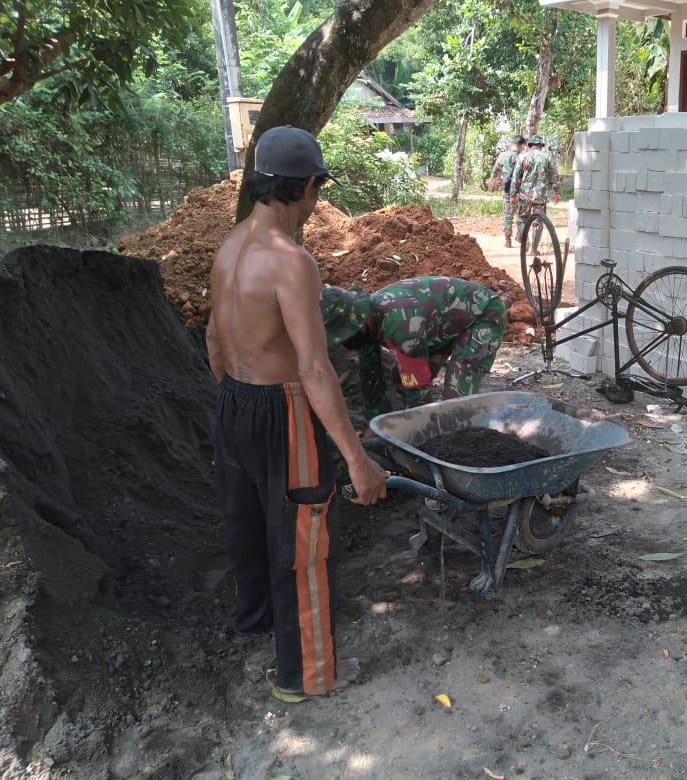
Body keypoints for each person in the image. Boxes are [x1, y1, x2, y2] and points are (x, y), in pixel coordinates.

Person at [205, 125, 389, 702]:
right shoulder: (291, 261)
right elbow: (313, 368)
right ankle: (307, 674)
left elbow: (213, 338)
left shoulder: (231, 245)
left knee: (250, 524)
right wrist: (357, 459)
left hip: (232, 400)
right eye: (317, 189)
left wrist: (236, 403)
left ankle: (256, 620)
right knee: (303, 538)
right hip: (281, 407)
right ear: (306, 188)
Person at [319, 276, 507, 422]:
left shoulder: (400, 324)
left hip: (484, 315)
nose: (346, 342)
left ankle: (461, 440)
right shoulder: (366, 326)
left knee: (455, 402)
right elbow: (371, 378)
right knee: (399, 380)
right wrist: (375, 423)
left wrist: (415, 432)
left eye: (346, 333)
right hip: (441, 327)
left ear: (358, 318)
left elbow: (417, 391)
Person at [510, 133, 561, 245]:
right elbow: (554, 176)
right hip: (540, 196)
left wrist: (512, 195)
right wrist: (557, 192)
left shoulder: (522, 157)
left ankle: (526, 242)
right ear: (541, 145)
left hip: (525, 196)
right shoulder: (547, 157)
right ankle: (533, 249)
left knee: (521, 219)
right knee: (538, 222)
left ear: (530, 145)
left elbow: (516, 178)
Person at [489, 134, 527, 248]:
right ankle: (521, 236)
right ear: (522, 145)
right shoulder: (525, 156)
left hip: (507, 189)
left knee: (508, 213)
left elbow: (496, 170)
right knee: (521, 214)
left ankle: (507, 240)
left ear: (512, 144)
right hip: (522, 189)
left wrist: (493, 184)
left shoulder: (503, 155)